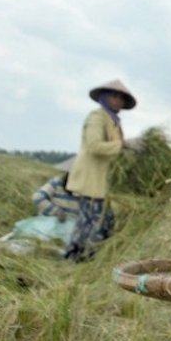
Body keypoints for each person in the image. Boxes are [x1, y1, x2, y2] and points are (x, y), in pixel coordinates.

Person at [63, 79, 137, 262]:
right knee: (91, 221)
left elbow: (115, 147)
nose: (118, 101)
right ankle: (77, 257)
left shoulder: (113, 121)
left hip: (101, 179)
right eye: (114, 96)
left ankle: (89, 256)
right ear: (104, 97)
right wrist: (124, 144)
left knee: (104, 220)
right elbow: (94, 146)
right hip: (90, 178)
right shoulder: (96, 117)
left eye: (121, 98)